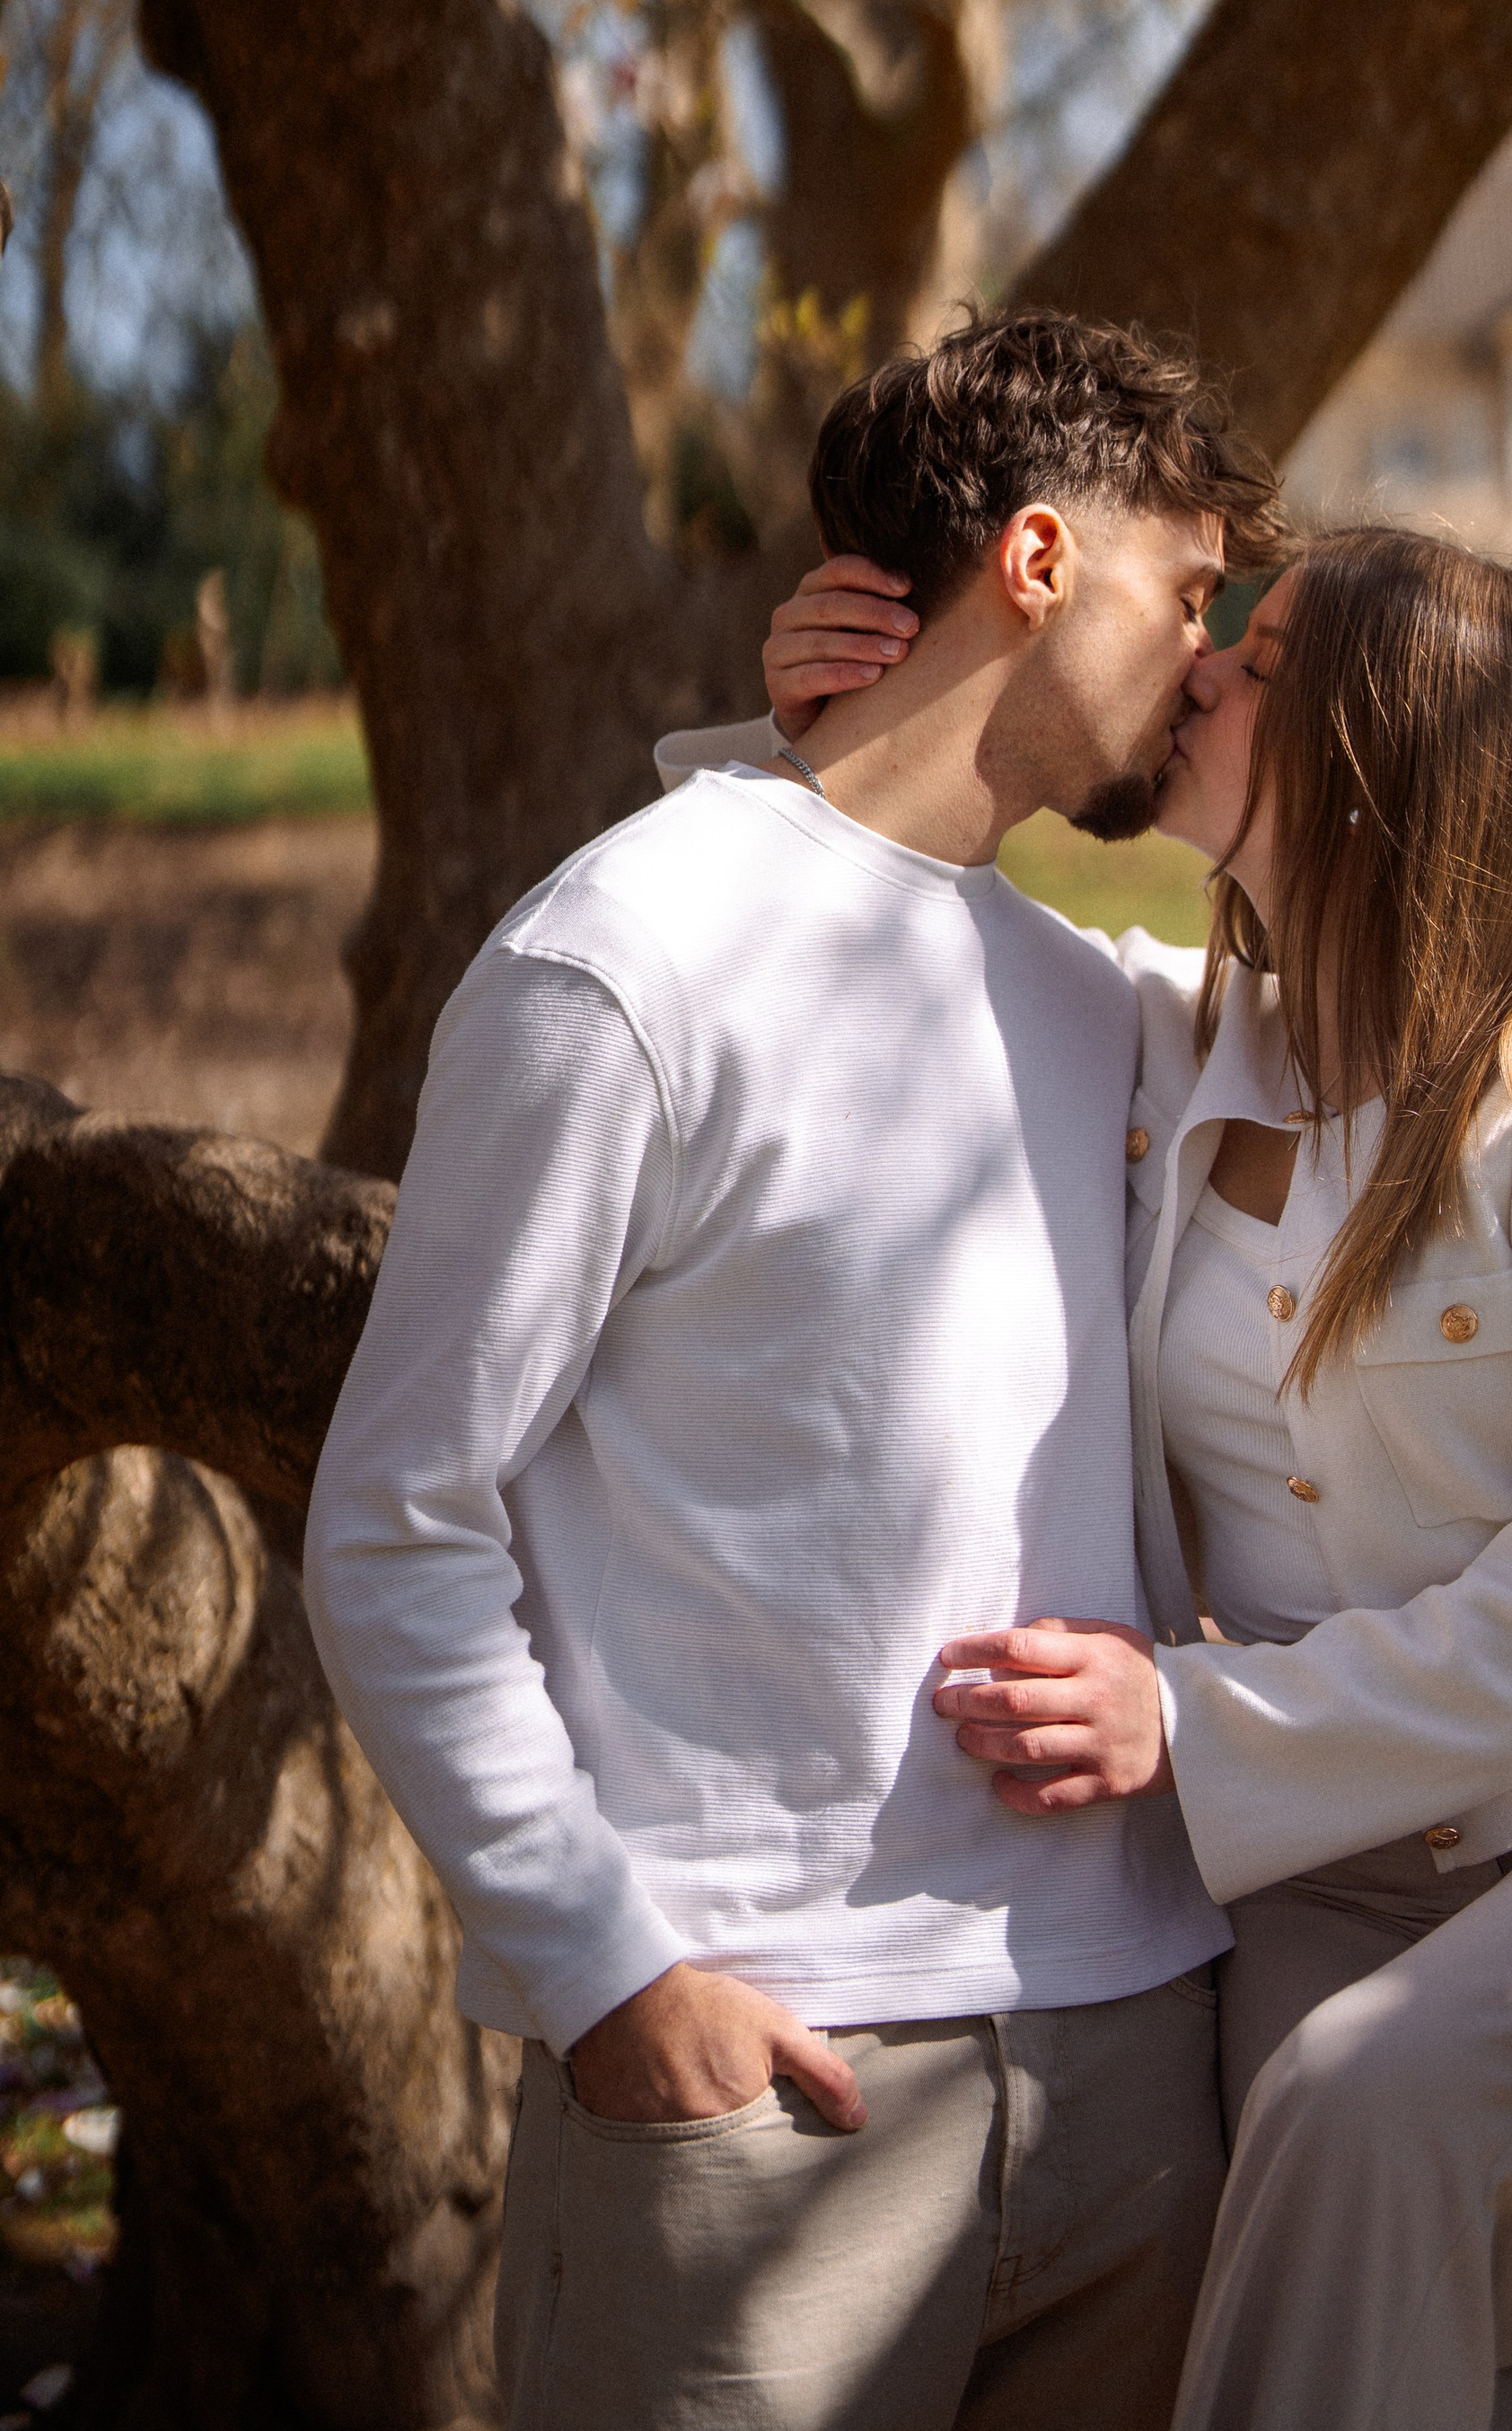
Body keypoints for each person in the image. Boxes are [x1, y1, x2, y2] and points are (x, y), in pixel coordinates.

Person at [764, 524, 1512, 2431]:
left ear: (1386, 746)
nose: (1197, 668)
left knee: (1367, 2116)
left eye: (1258, 657)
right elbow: (882, 932)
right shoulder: (1174, 1043)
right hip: (1332, 1854)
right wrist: (832, 736)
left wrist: (1189, 1719)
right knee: (1217, 2180)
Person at [303, 313, 1287, 2431]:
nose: (1207, 660)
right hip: (765, 2085)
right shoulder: (619, 966)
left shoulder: (1105, 1013)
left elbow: (1383, 1021)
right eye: (1187, 595)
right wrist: (605, 1976)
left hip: (1134, 2060)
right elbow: (396, 1521)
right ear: (1037, 560)